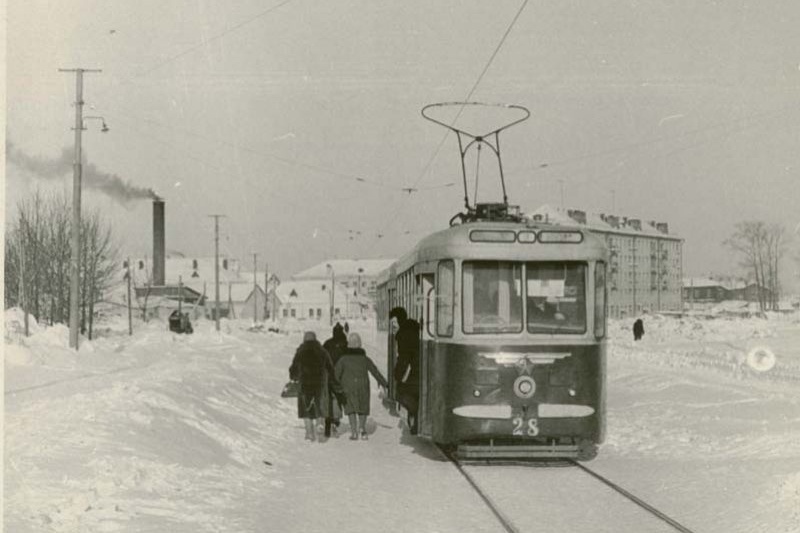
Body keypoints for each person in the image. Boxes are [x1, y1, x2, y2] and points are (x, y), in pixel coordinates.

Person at [334, 332, 388, 440]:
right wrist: (384, 383)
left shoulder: (343, 359)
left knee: (351, 409)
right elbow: (375, 372)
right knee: (363, 407)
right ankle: (362, 430)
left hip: (348, 387)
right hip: (363, 385)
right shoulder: (364, 359)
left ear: (348, 344)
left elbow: (335, 374)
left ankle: (354, 432)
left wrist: (334, 385)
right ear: (360, 344)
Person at [289, 331, 335, 442]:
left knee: (306, 408)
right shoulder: (322, 351)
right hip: (320, 383)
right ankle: (320, 424)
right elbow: (330, 367)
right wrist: (331, 379)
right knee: (320, 406)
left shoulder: (300, 352)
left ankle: (309, 433)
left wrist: (294, 377)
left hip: (305, 383)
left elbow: (294, 368)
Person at [390, 306, 420, 435]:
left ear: (400, 321)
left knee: (401, 395)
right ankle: (415, 421)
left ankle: (416, 417)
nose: (393, 326)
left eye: (394, 323)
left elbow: (404, 359)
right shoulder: (413, 329)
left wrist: (397, 375)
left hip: (414, 373)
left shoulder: (403, 335)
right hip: (418, 371)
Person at [321, 323, 348, 437]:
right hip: (340, 375)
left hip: (328, 374)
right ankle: (336, 421)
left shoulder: (327, 343)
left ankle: (328, 421)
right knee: (337, 397)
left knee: (328, 398)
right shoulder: (345, 344)